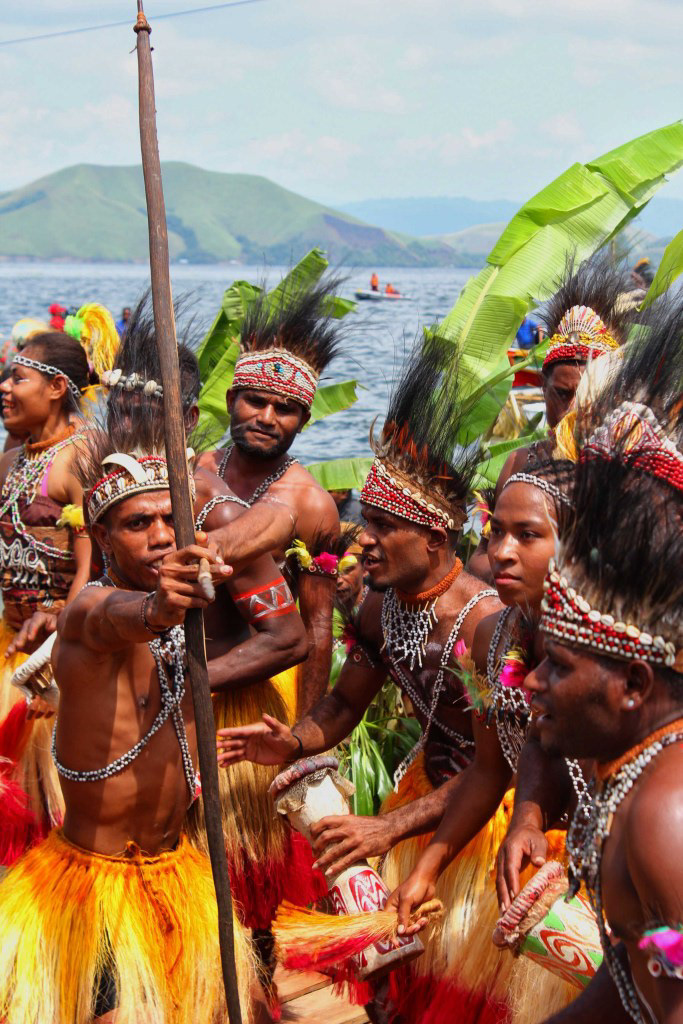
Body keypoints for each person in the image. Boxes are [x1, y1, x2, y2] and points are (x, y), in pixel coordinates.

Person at [217, 336, 504, 1022]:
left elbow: (504, 765)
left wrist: (389, 827)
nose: (360, 539)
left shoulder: (484, 627)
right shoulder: (378, 608)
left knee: (467, 1000)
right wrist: (293, 741)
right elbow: (345, 705)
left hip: (490, 813)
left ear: (434, 539)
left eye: (379, 526)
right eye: (362, 521)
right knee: (394, 990)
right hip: (425, 799)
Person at [0, 410, 259, 1024]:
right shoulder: (88, 614)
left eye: (171, 519)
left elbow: (285, 518)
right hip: (94, 888)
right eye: (138, 523)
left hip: (177, 872)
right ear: (103, 535)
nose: (161, 536)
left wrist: (217, 551)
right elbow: (122, 617)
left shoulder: (189, 598)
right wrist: (160, 607)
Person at [104, 300, 320, 1010]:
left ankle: (253, 1003)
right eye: (119, 410)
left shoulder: (224, 509)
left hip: (225, 722)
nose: (128, 424)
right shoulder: (134, 496)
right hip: (157, 714)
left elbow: (293, 636)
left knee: (238, 892)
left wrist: (189, 682)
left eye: (283, 408)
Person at [525, 301, 683, 1024]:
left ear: (633, 685)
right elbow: (630, 982)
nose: (533, 681)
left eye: (557, 667)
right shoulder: (633, 775)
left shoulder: (664, 817)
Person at [387, 457, 581, 1024]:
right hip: (534, 868)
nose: (501, 552)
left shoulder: (607, 650)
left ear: (577, 545)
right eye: (496, 531)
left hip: (603, 872)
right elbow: (490, 769)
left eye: (528, 535)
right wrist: (428, 869)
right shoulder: (491, 637)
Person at [198, 276, 343, 718]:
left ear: (304, 419)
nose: (266, 418)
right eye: (255, 401)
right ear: (231, 400)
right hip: (176, 673)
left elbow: (317, 627)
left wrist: (305, 738)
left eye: (284, 409)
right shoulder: (198, 469)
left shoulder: (311, 504)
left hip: (252, 692)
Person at [0, 332, 93, 864]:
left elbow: (93, 567)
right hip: (11, 643)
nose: (5, 387)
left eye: (18, 377)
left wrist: (58, 634)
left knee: (53, 808)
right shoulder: (11, 459)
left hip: (56, 655)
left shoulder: (82, 458)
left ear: (57, 387)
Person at [497, 254, 627, 497]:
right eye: (563, 394)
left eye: (590, 395)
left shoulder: (628, 474)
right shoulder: (517, 464)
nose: (572, 410)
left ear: (615, 396)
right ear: (544, 388)